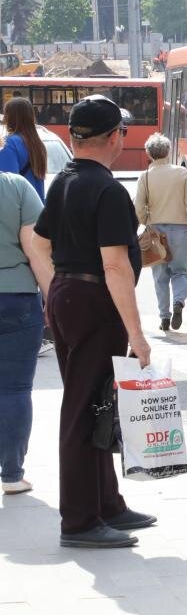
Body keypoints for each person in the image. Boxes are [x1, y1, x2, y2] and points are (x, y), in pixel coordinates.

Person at [28, 94, 156, 548]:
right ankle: (81, 520)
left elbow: (39, 243)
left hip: (68, 294)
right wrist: (139, 336)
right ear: (112, 137)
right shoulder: (106, 189)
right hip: (93, 302)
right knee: (86, 409)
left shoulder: (65, 180)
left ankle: (107, 505)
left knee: (99, 401)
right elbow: (116, 267)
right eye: (122, 130)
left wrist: (56, 292)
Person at [0, 172, 53, 495]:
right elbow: (35, 251)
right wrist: (53, 300)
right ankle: (12, 475)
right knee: (15, 390)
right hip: (18, 298)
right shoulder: (16, 188)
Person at [135, 133, 187, 331]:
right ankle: (179, 302)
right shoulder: (180, 173)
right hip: (179, 230)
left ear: (149, 153)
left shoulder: (145, 176)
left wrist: (142, 223)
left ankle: (164, 317)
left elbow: (139, 207)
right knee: (180, 271)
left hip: (155, 232)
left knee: (160, 276)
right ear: (168, 151)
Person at [0, 96, 49, 199]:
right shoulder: (37, 144)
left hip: (19, 210)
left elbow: (8, 185)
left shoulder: (9, 143)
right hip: (37, 208)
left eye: (5, 114)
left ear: (10, 117)